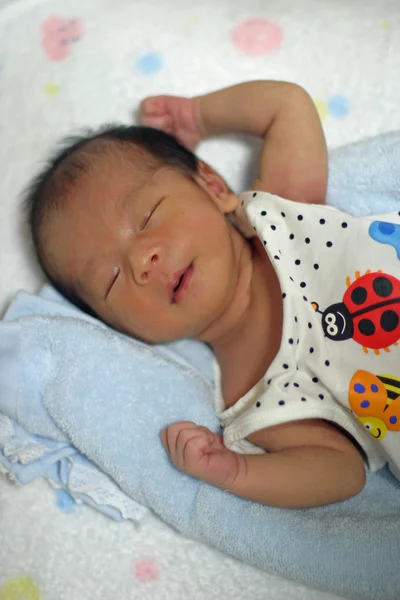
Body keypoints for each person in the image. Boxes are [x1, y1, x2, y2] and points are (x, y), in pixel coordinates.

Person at [25, 81, 400, 509]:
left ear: (214, 187)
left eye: (148, 216)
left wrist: (199, 115)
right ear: (124, 330)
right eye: (111, 279)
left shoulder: (282, 213)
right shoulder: (255, 399)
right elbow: (340, 471)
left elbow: (285, 106)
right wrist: (235, 471)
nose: (142, 260)